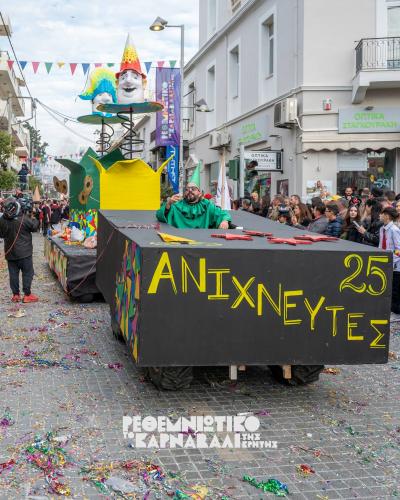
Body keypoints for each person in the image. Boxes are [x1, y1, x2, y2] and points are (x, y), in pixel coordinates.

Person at [156, 166, 230, 229]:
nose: (190, 191)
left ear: (199, 193)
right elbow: (159, 216)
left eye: (193, 189)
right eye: (187, 189)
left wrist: (224, 221)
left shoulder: (207, 205)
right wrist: (168, 204)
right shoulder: (177, 205)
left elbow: (223, 214)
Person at [0, 198, 39, 303]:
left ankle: (15, 295)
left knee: (13, 274)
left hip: (10, 253)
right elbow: (35, 227)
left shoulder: (2, 220)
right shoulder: (24, 219)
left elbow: (1, 234)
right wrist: (34, 217)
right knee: (27, 273)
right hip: (25, 253)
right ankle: (27, 295)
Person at [378, 207, 400, 319]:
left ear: (386, 216)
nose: (380, 215)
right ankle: (388, 309)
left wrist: (391, 260)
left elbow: (398, 249)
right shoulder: (382, 229)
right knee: (386, 287)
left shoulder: (394, 230)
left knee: (395, 289)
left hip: (395, 265)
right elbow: (380, 246)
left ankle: (396, 312)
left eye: (381, 214)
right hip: (384, 262)